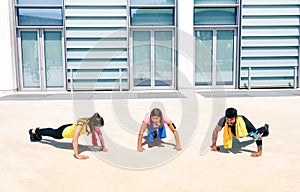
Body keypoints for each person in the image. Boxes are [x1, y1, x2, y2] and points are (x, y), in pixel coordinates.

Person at [28, 112, 107, 160]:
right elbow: (74, 139)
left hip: (70, 127)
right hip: (64, 132)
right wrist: (77, 155)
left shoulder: (92, 122)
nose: (98, 129)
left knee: (52, 132)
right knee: (53, 133)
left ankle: (37, 132)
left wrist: (103, 146)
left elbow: (100, 135)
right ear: (93, 124)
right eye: (97, 128)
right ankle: (33, 131)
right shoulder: (81, 125)